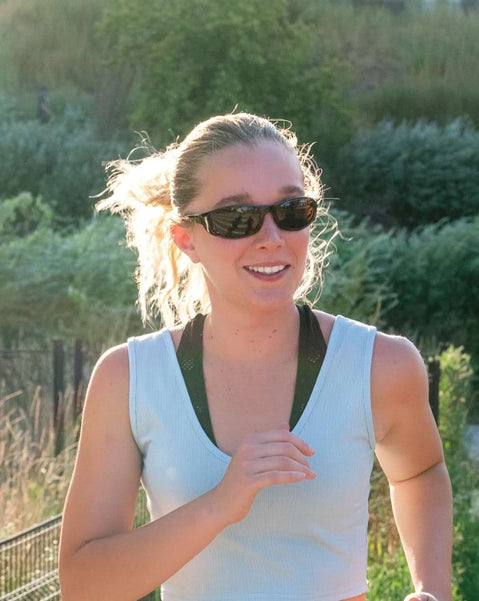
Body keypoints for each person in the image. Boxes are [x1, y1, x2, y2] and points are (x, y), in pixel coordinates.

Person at [58, 113, 453, 601]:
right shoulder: (131, 379)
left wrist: (432, 589)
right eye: (237, 218)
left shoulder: (380, 365)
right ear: (187, 239)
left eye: (290, 210)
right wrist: (221, 503)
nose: (271, 237)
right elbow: (83, 586)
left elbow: (419, 472)